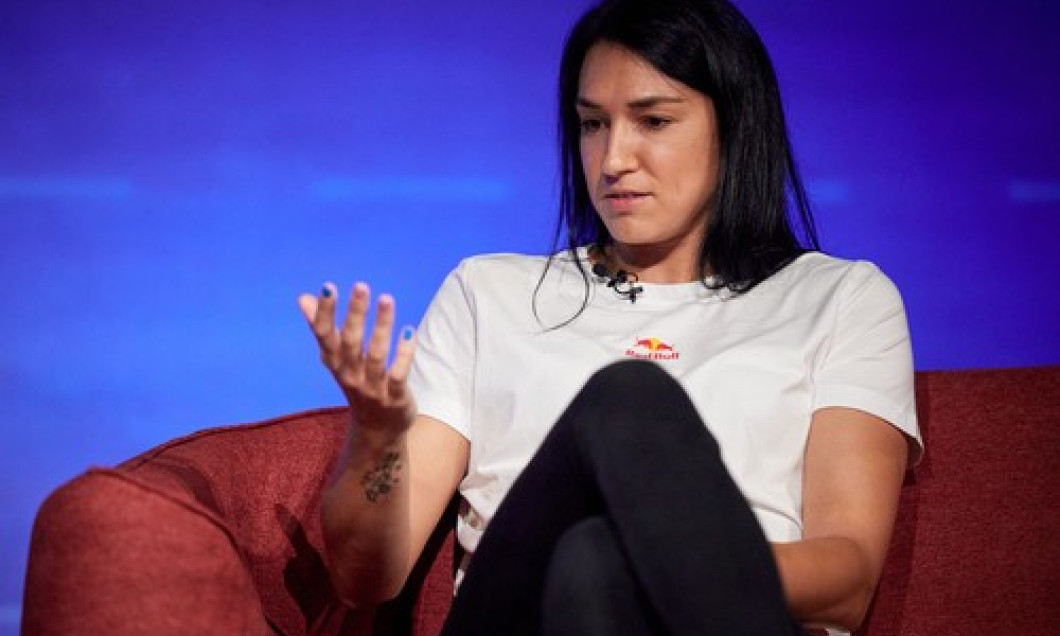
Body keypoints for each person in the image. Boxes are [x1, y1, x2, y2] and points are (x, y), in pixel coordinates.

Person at [297, 0, 921, 634]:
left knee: (594, 562)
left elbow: (847, 579)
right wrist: (376, 440)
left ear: (735, 126)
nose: (613, 158)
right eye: (593, 124)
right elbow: (365, 579)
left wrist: (651, 565)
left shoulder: (841, 299)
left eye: (653, 121)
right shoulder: (488, 293)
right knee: (627, 396)